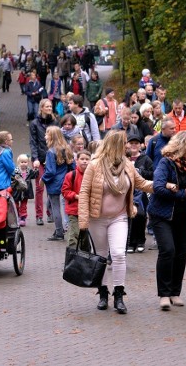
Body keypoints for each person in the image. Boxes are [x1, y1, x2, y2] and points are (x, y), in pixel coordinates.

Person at [78, 131, 154, 314]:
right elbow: (84, 193)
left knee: (119, 254)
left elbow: (142, 183)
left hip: (119, 217)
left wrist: (162, 184)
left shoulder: (127, 165)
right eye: (124, 143)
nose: (127, 146)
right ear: (115, 145)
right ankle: (103, 292)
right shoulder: (94, 165)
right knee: (102, 256)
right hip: (97, 218)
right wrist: (83, 223)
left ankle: (119, 294)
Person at [147, 131, 186, 310]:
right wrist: (183, 193)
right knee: (168, 250)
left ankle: (175, 292)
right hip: (162, 214)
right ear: (183, 146)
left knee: (180, 252)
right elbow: (158, 187)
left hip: (183, 214)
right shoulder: (166, 162)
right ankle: (163, 294)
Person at [40, 126, 75, 241]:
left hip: (54, 183)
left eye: (47, 134)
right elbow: (72, 167)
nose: (45, 136)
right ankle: (69, 228)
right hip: (66, 181)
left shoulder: (51, 152)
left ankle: (59, 231)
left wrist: (43, 179)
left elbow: (51, 171)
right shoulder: (67, 149)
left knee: (54, 207)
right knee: (67, 206)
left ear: (52, 137)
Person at [29, 99, 58, 225]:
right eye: (47, 106)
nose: (49, 108)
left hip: (52, 158)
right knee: (40, 188)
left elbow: (58, 140)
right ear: (41, 108)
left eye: (51, 106)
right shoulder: (34, 123)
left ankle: (50, 212)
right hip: (39, 159)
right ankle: (39, 215)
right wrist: (35, 158)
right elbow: (33, 142)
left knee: (51, 187)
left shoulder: (55, 121)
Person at [125, 134, 154, 253]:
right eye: (131, 143)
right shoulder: (124, 158)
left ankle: (140, 240)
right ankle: (131, 242)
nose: (134, 145)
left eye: (136, 143)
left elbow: (151, 173)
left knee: (141, 215)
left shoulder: (145, 159)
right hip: (127, 190)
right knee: (129, 216)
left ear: (140, 145)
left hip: (141, 192)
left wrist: (139, 171)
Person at [62, 150, 91, 252]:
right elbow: (65, 191)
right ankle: (72, 261)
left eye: (87, 159)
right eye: (82, 159)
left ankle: (85, 261)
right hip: (74, 210)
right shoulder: (71, 175)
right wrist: (76, 196)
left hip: (88, 211)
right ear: (77, 160)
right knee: (73, 237)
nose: (84, 161)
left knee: (85, 239)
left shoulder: (93, 176)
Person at [12, 154, 38, 227]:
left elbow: (35, 176)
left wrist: (36, 169)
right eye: (22, 162)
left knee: (23, 206)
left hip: (26, 191)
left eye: (25, 162)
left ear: (28, 163)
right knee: (16, 205)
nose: (23, 163)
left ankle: (23, 218)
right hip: (17, 191)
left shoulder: (29, 171)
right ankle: (17, 217)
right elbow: (12, 179)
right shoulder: (15, 171)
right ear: (18, 163)